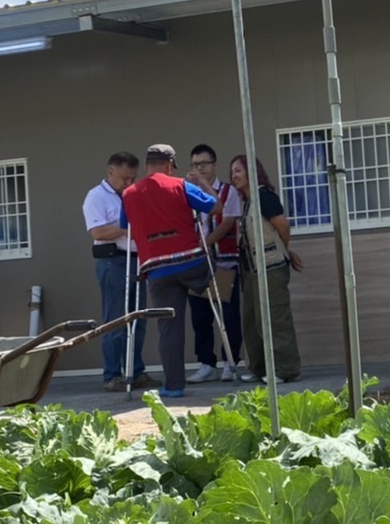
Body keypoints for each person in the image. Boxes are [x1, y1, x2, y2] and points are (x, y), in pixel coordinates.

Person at [120, 144, 219, 399]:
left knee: (169, 328)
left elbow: (124, 225)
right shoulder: (181, 185)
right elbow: (215, 207)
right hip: (192, 266)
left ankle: (174, 386)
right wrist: (203, 184)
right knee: (213, 292)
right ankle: (225, 360)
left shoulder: (129, 194)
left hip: (157, 271)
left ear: (146, 165)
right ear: (170, 165)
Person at [82, 151, 155, 392]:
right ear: (110, 171)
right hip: (113, 260)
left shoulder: (133, 195)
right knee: (115, 320)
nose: (128, 183)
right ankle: (112, 375)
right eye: (124, 178)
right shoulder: (96, 196)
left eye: (132, 178)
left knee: (138, 320)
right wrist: (128, 229)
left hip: (136, 259)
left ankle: (135, 371)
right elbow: (98, 232)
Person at [229, 154, 302, 384]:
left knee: (275, 318)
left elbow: (282, 226)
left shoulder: (264, 196)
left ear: (252, 171)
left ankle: (285, 369)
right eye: (232, 172)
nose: (234, 176)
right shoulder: (248, 201)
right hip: (252, 270)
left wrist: (283, 250)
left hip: (270, 266)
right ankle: (259, 367)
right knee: (253, 320)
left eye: (238, 170)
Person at [187, 143, 244, 382]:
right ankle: (206, 363)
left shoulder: (228, 191)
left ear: (214, 165)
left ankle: (231, 361)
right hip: (197, 264)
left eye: (204, 164)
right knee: (200, 317)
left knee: (228, 316)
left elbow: (227, 222)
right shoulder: (188, 192)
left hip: (223, 262)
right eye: (195, 164)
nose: (200, 168)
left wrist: (205, 244)